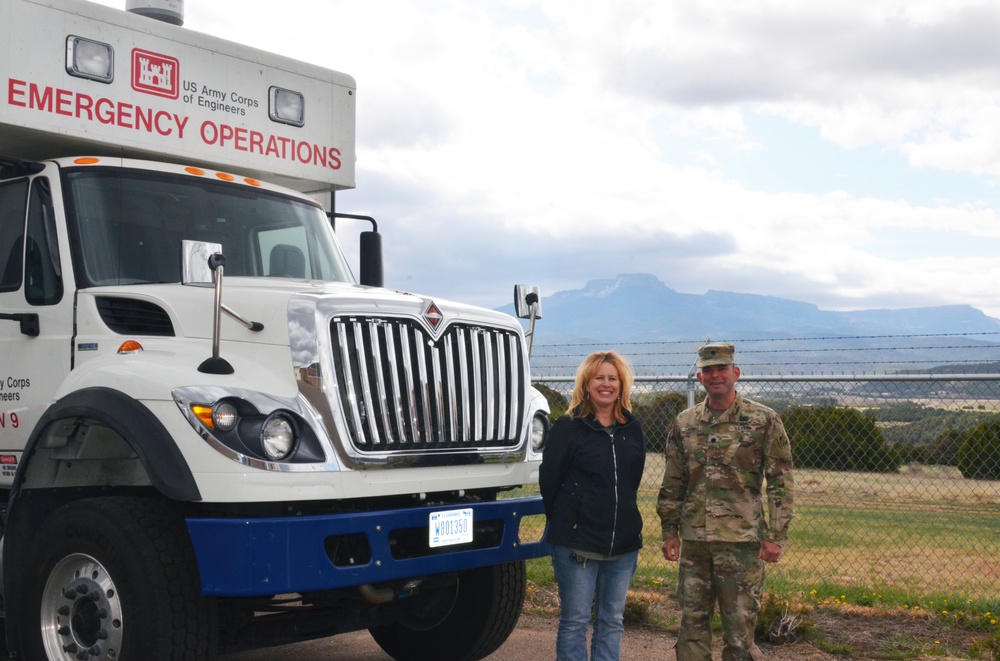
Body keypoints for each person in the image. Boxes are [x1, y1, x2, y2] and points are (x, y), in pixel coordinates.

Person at [657, 342, 795, 661]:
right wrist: (669, 531)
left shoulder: (764, 420)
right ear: (701, 377)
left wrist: (776, 536)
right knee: (692, 626)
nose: (715, 375)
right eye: (708, 370)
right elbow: (673, 482)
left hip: (741, 543)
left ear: (736, 373)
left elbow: (781, 481)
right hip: (695, 542)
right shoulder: (685, 423)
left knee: (739, 631)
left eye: (721, 369)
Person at [539, 351, 646, 661]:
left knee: (611, 621)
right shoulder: (568, 427)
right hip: (577, 545)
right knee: (575, 622)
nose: (606, 384)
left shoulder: (632, 428)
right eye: (599, 377)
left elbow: (631, 482)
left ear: (621, 385)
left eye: (613, 378)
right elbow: (550, 483)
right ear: (586, 384)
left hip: (623, 546)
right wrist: (571, 520)